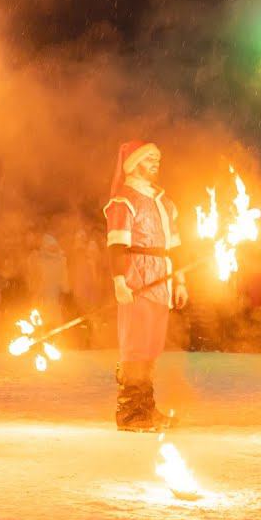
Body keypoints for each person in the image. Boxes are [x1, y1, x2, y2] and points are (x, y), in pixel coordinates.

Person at [103, 140, 188, 432]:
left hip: (161, 279)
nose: (156, 162)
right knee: (135, 345)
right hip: (136, 277)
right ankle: (129, 413)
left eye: (157, 158)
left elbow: (174, 247)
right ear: (134, 163)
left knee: (151, 346)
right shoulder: (123, 200)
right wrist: (119, 280)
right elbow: (116, 244)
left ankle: (145, 408)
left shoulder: (164, 202)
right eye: (149, 157)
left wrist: (179, 280)